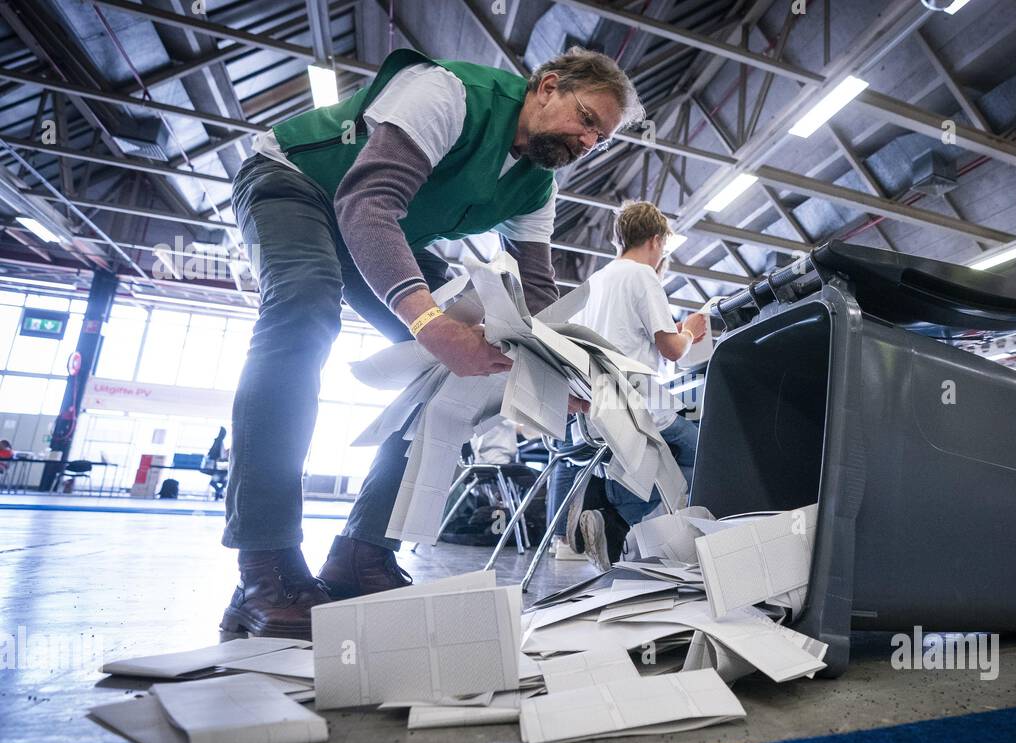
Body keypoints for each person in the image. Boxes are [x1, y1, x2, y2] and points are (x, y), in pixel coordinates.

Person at [220, 46, 642, 638]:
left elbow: (538, 295)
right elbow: (367, 201)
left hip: (384, 227)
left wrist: (557, 373)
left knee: (481, 351)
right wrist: (429, 324)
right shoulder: (449, 95)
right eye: (588, 120)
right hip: (297, 184)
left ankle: (362, 550)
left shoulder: (537, 187)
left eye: (601, 139)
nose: (588, 142)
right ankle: (264, 569)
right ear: (547, 87)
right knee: (303, 308)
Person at [566, 200, 707, 569]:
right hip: (639, 409)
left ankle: (610, 510)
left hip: (599, 410)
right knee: (699, 449)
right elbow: (673, 350)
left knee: (661, 457)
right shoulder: (644, 276)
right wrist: (690, 331)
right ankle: (618, 511)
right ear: (657, 241)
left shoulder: (595, 282)